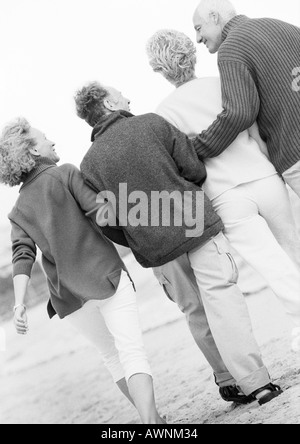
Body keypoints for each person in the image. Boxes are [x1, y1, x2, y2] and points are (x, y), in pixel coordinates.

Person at [75, 81, 283, 406]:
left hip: (155, 247)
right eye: (120, 94)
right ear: (110, 103)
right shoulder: (153, 123)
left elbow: (105, 221)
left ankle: (228, 381)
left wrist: (137, 234)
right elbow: (194, 168)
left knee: (194, 310)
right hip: (194, 225)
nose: (127, 96)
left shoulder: (89, 165)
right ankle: (257, 383)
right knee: (222, 299)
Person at [0, 118, 164, 425]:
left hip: (69, 298)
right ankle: (152, 424)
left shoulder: (18, 209)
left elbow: (22, 255)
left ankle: (153, 420)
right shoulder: (64, 174)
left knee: (113, 358)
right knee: (131, 352)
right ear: (33, 150)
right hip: (107, 278)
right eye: (45, 137)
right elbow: (102, 213)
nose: (52, 141)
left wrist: (19, 303)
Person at [146, 29, 300, 351]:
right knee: (293, 253)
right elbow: (256, 132)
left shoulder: (163, 113)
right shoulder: (222, 84)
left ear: (159, 70)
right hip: (264, 176)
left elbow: (184, 165)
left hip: (226, 196)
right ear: (193, 53)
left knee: (272, 266)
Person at [192, 0, 300, 199]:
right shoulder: (284, 26)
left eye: (199, 28)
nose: (198, 38)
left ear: (214, 17)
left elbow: (239, 113)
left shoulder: (231, 48)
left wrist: (195, 148)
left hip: (295, 151)